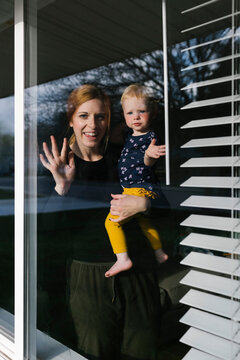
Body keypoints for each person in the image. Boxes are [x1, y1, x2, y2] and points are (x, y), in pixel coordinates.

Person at [39, 84, 162, 360]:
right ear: (71, 120)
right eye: (84, 116)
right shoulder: (58, 165)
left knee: (142, 352)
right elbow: (46, 233)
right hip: (90, 277)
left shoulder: (124, 157)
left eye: (100, 116)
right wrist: (61, 190)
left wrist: (146, 203)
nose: (92, 125)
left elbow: (164, 204)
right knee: (94, 353)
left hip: (138, 270)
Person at [105, 84, 168, 278]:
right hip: (132, 189)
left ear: (153, 113)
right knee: (145, 224)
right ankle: (160, 254)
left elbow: (148, 162)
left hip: (140, 189)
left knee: (112, 222)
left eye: (142, 111)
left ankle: (123, 259)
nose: (136, 117)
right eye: (130, 113)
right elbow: (115, 135)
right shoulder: (129, 136)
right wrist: (127, 121)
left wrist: (150, 155)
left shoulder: (150, 137)